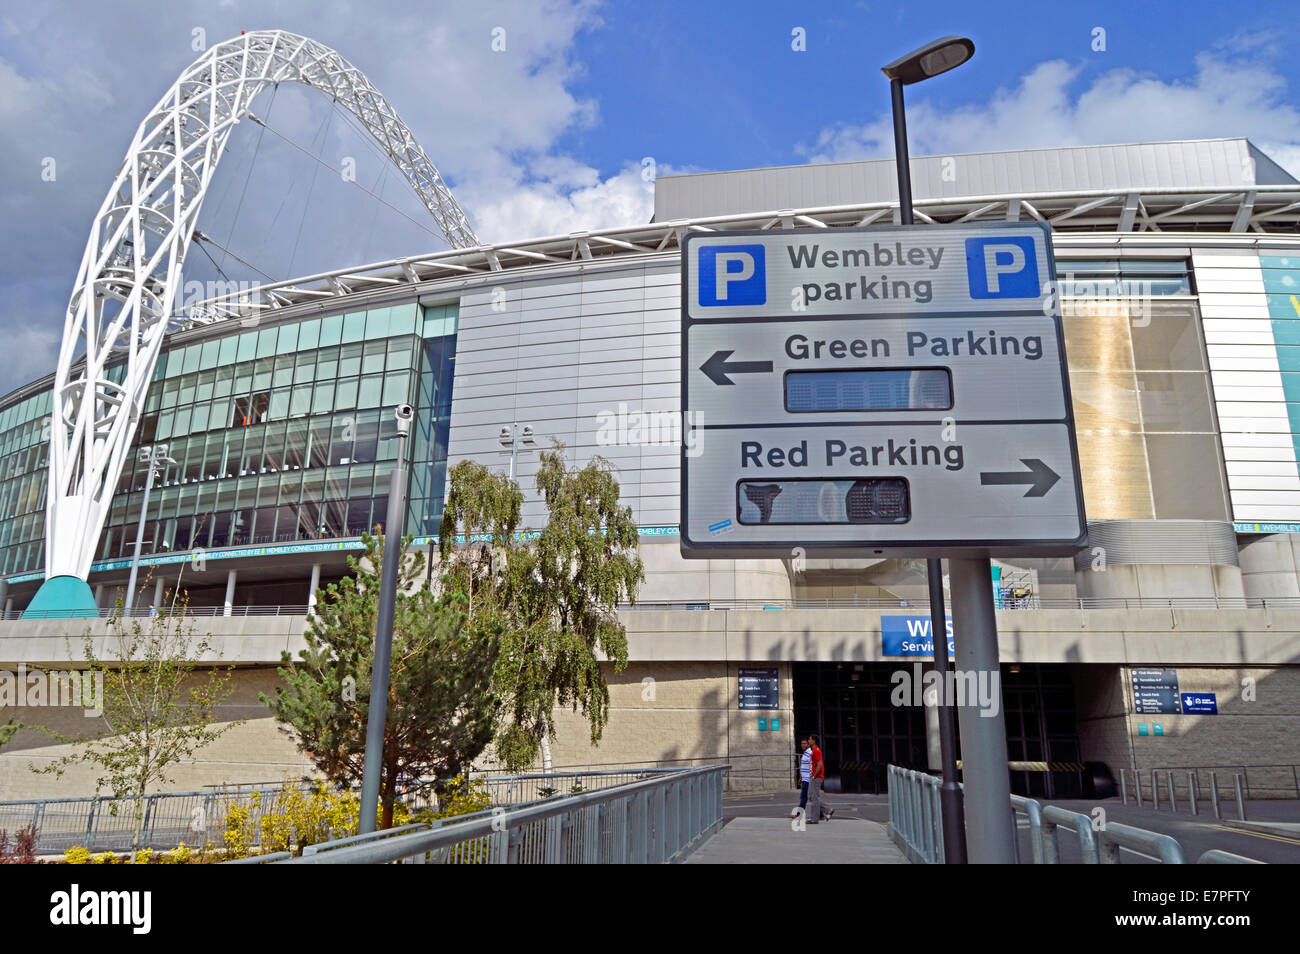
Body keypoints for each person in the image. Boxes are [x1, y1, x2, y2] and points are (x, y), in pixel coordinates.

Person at [806, 734, 833, 823]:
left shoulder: (816, 751)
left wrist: (814, 776)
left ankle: (814, 819)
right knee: (812, 797)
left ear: (814, 741)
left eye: (809, 739)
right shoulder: (814, 750)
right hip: (814, 777)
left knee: (814, 798)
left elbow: (820, 765)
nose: (808, 741)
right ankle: (828, 810)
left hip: (816, 778)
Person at [791, 738, 812, 819]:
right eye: (802, 743)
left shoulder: (810, 753)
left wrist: (810, 777)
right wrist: (801, 777)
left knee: (804, 797)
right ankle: (821, 814)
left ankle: (798, 815)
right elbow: (804, 767)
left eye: (805, 743)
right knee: (811, 798)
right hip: (804, 778)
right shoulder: (805, 753)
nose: (803, 745)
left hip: (808, 779)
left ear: (808, 744)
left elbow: (812, 766)